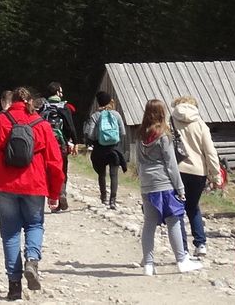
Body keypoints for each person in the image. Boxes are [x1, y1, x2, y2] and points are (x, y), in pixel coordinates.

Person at [0, 87, 64, 300]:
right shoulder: (42, 125)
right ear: (31, 102)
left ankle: (14, 286)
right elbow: (55, 163)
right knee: (35, 225)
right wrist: (55, 193)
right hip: (34, 185)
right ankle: (32, 260)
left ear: (12, 100)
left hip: (3, 185)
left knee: (10, 233)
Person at [138, 99, 202, 275]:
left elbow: (139, 162)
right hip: (164, 183)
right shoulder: (164, 135)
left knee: (149, 224)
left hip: (147, 184)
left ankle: (148, 265)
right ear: (161, 113)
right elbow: (171, 164)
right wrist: (180, 188)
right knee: (173, 221)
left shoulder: (141, 134)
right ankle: (181, 260)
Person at [172, 95, 223, 258]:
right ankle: (200, 243)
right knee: (193, 207)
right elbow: (210, 152)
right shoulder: (200, 124)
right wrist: (215, 176)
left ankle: (183, 249)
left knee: (178, 209)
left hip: (177, 170)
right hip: (198, 172)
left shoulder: (170, 122)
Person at [40, 82, 78, 211]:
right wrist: (75, 142)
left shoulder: (42, 107)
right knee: (62, 170)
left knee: (48, 171)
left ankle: (52, 200)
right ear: (57, 92)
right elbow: (71, 127)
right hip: (61, 144)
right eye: (60, 91)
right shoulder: (64, 107)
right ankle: (61, 193)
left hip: (45, 145)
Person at [87, 91, 127, 209]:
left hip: (100, 149)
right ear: (110, 101)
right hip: (114, 149)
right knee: (114, 175)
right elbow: (123, 132)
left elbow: (90, 134)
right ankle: (113, 201)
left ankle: (103, 197)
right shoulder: (116, 115)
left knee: (102, 174)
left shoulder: (95, 116)